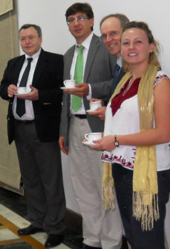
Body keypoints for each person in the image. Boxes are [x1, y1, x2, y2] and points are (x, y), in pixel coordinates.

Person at [89, 21, 170, 249]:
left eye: (138, 42)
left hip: (147, 173)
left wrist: (116, 140)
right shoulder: (126, 80)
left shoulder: (160, 83)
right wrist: (110, 114)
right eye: (126, 43)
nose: (131, 47)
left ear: (151, 46)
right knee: (134, 236)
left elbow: (165, 132)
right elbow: (130, 116)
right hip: (123, 169)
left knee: (147, 239)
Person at [58, 3, 122, 249]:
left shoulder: (104, 47)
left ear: (91, 20)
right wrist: (62, 131)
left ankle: (111, 241)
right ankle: (92, 239)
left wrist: (91, 89)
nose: (76, 23)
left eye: (81, 18)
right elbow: (66, 97)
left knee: (104, 186)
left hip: (99, 126)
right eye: (71, 19)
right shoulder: (68, 55)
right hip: (74, 126)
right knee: (82, 187)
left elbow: (116, 84)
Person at [0, 24, 65, 248]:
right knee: (31, 179)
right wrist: (7, 89)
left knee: (51, 180)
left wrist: (40, 96)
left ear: (40, 38)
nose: (27, 41)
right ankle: (37, 220)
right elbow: (1, 87)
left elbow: (60, 92)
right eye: (23, 38)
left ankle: (55, 228)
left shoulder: (55, 61)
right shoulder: (14, 63)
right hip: (20, 128)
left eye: (31, 37)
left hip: (43, 129)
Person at [88, 14, 130, 120]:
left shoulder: (138, 67)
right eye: (104, 36)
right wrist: (104, 103)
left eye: (113, 33)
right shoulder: (118, 67)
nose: (108, 39)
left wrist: (108, 112)